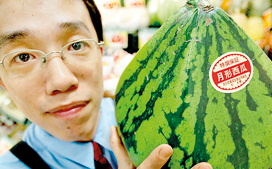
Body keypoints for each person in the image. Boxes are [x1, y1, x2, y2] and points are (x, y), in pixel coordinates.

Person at [0, 0, 213, 168]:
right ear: (3, 82)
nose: (62, 80)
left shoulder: (172, 127)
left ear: (100, 53)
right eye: (23, 57)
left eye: (76, 45)